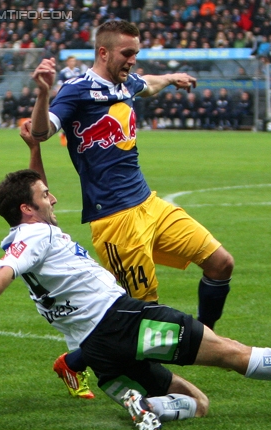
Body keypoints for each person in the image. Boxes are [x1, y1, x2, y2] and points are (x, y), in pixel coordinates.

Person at [0, 168, 271, 430]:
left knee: (199, 404)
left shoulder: (24, 232)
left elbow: (17, 243)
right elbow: (5, 273)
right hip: (125, 321)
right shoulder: (36, 234)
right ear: (27, 209)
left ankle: (140, 404)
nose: (53, 198)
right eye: (45, 194)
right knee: (232, 354)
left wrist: (34, 146)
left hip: (95, 353)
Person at [29, 20, 234, 398]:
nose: (133, 60)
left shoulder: (127, 83)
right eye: (127, 54)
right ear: (103, 52)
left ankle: (207, 337)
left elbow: (149, 84)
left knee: (221, 263)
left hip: (149, 204)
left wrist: (172, 77)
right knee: (140, 321)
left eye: (136, 53)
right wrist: (43, 94)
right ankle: (77, 363)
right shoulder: (77, 90)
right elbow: (40, 132)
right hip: (114, 219)